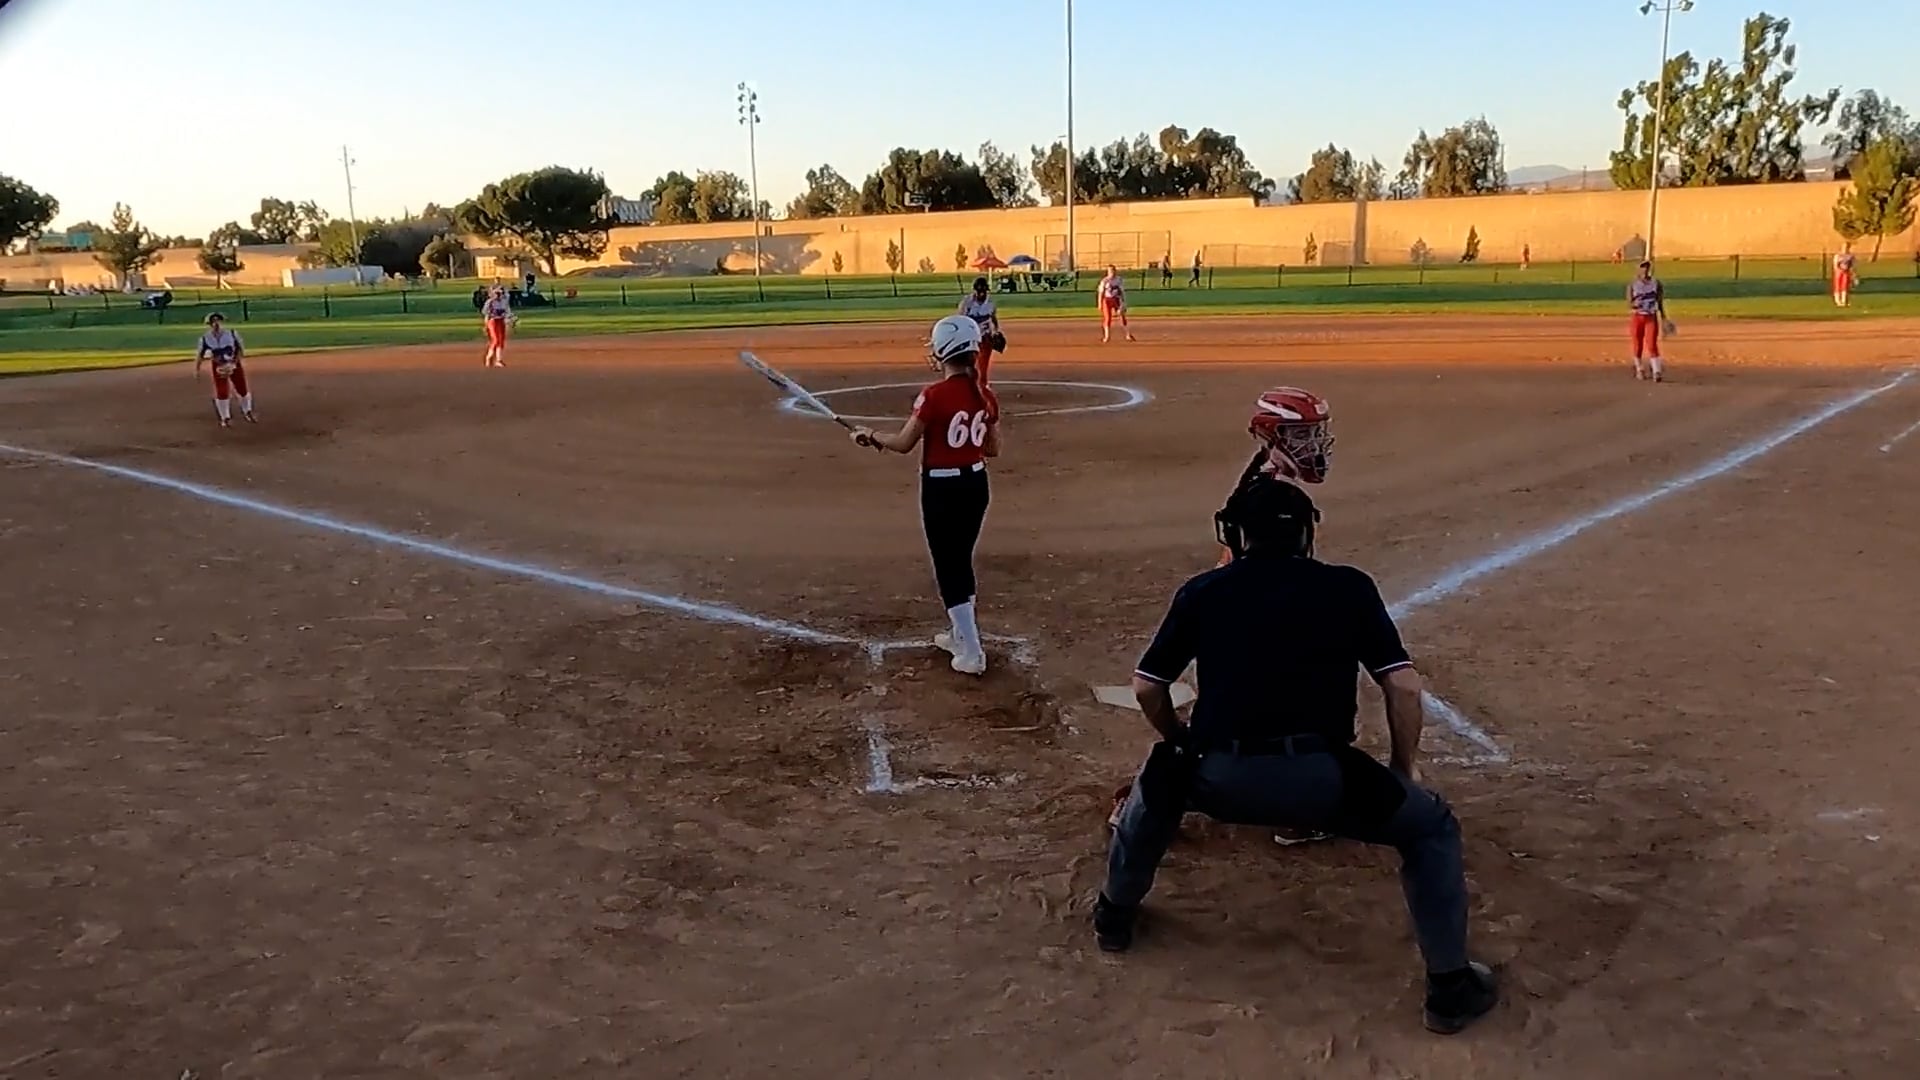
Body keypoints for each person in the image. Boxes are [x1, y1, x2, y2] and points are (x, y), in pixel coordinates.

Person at [1093, 474, 1499, 1035]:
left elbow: (1147, 687)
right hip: (1323, 783)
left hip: (1219, 777)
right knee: (1430, 827)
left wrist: (1179, 738)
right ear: (1307, 534)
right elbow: (1403, 685)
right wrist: (1402, 770)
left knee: (1158, 782)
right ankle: (1450, 989)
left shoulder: (1203, 591)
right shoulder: (1349, 587)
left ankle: (1114, 916)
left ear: (1238, 535)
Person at [849, 315, 1002, 676]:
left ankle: (972, 652)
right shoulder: (984, 394)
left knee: (948, 566)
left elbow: (904, 443)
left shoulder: (933, 395)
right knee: (960, 560)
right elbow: (992, 449)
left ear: (943, 351)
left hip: (942, 489)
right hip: (976, 485)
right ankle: (960, 635)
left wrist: (871, 435)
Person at [192, 312, 255, 428]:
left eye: (218, 321)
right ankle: (225, 417)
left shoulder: (232, 334)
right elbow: (200, 355)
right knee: (221, 391)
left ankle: (247, 411)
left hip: (234, 363)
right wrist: (197, 369)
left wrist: (234, 363)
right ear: (209, 324)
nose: (216, 324)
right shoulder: (205, 338)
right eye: (213, 321)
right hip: (218, 367)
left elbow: (240, 350)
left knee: (242, 387)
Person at [1627, 260, 1672, 382]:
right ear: (1638, 269)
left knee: (1652, 344)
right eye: (1642, 267)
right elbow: (1629, 302)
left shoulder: (1656, 284)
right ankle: (1639, 369)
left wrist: (1663, 317)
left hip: (1651, 317)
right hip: (1637, 317)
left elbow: (1660, 301)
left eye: (1647, 267)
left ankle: (1657, 371)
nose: (1645, 269)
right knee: (1638, 344)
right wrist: (1634, 305)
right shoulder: (1633, 284)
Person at [957, 276, 1006, 384]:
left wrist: (995, 331)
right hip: (970, 337)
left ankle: (983, 385)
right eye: (979, 292)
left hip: (985, 336)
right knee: (969, 364)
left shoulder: (990, 303)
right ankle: (968, 384)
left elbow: (993, 318)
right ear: (974, 290)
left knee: (983, 364)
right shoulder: (966, 303)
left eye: (983, 292)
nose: (981, 294)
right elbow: (961, 319)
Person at [1097, 265, 1135, 343]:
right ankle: (1107, 336)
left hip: (1116, 299)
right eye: (1110, 271)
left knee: (1122, 316)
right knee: (1107, 318)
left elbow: (1121, 291)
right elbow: (1101, 293)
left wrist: (1123, 302)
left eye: (1113, 270)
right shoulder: (1104, 281)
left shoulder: (1119, 279)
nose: (1112, 272)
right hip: (1107, 300)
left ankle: (1128, 334)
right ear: (1108, 272)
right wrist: (1099, 303)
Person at [481, 284, 513, 368]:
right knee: (495, 340)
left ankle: (499, 360)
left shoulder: (504, 301)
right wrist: (485, 325)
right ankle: (489, 356)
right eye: (497, 293)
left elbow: (507, 312)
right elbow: (486, 314)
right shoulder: (490, 302)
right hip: (493, 321)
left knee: (501, 340)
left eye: (500, 293)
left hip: (501, 321)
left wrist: (509, 320)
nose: (499, 295)